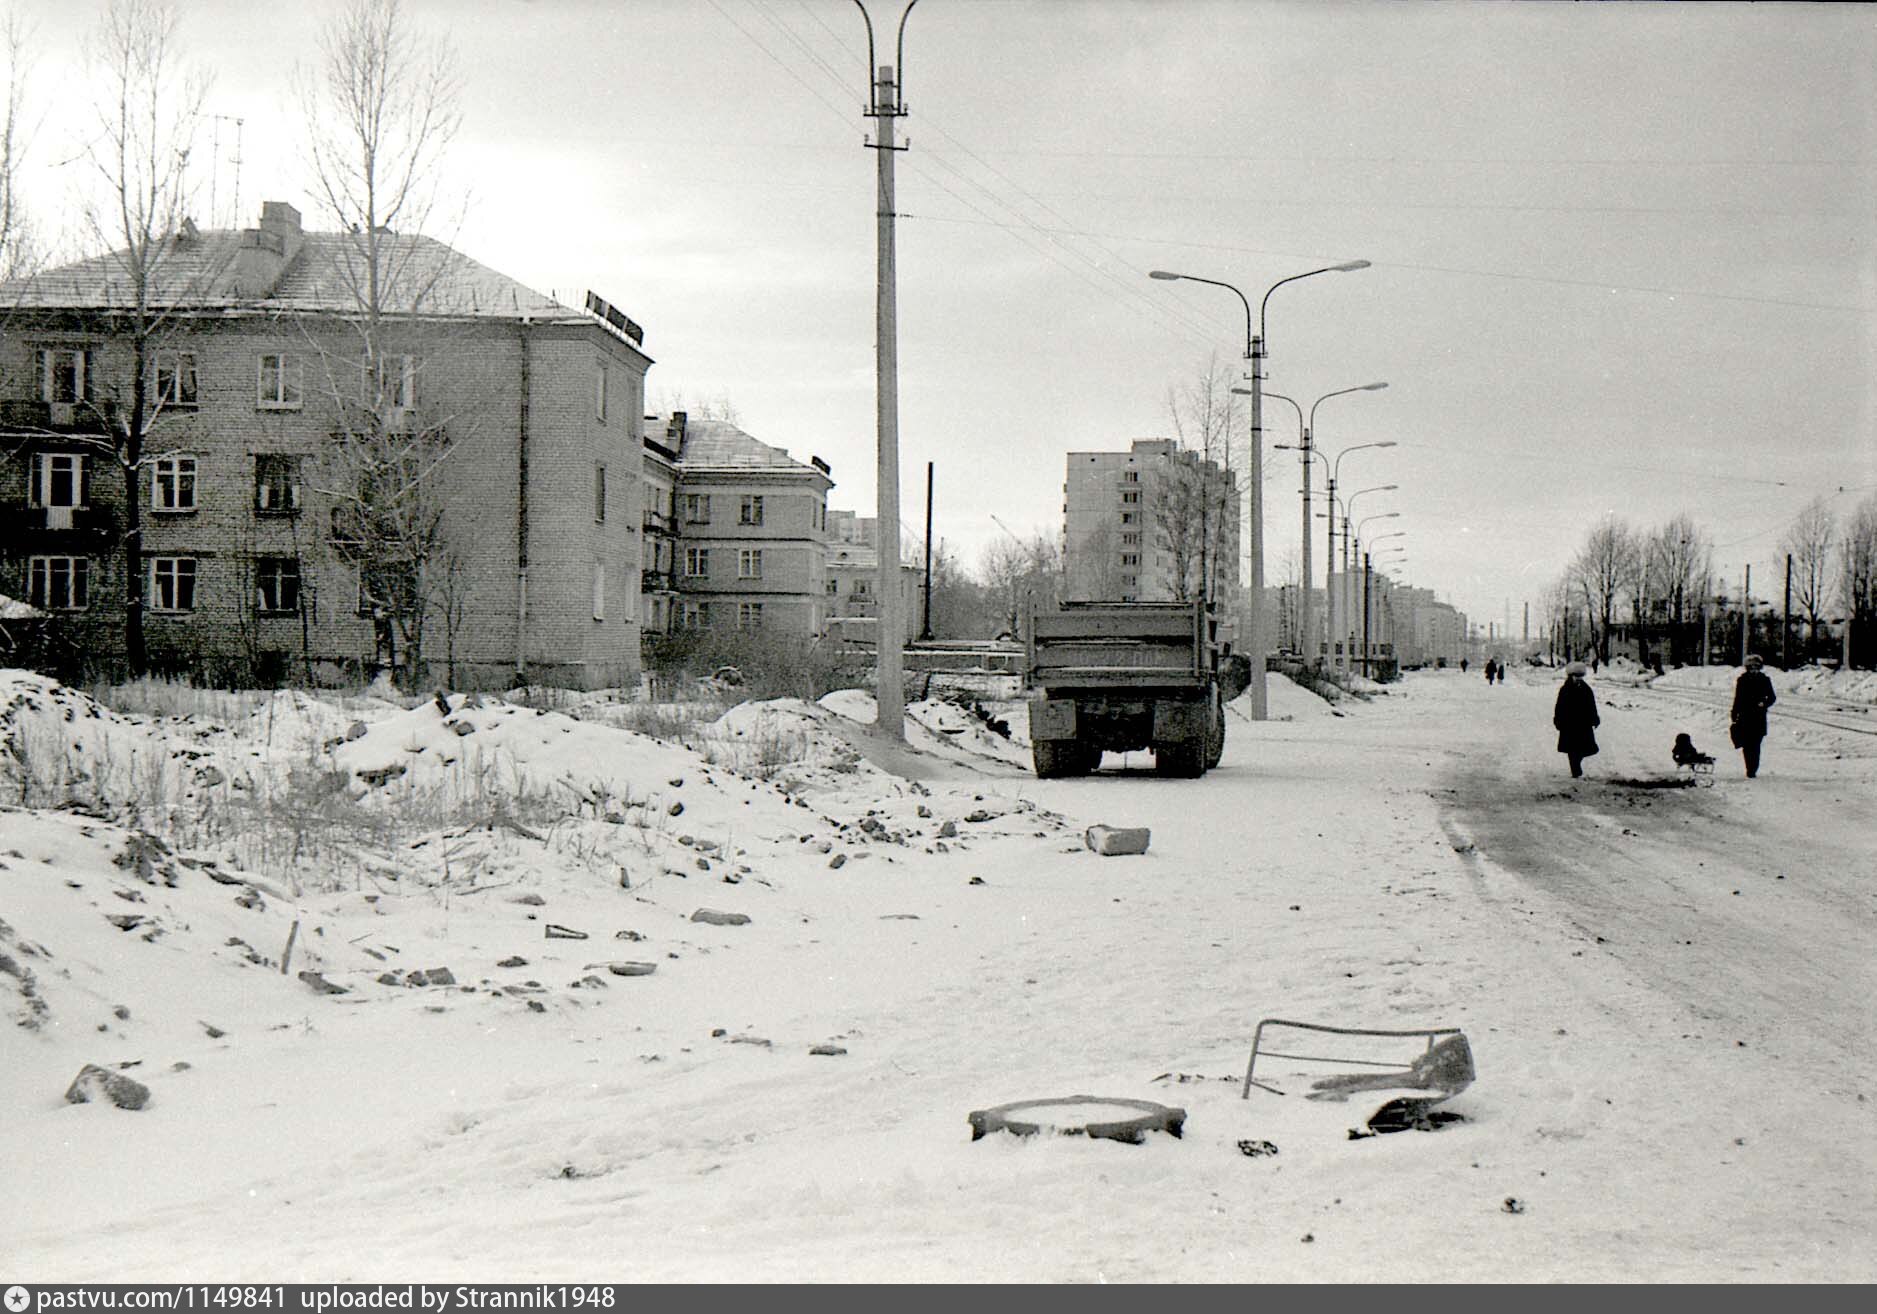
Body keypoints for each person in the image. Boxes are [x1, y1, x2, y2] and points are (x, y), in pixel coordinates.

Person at [1729, 654, 1777, 778]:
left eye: (1756, 666)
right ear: (1747, 667)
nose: (1754, 669)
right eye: (1751, 667)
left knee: (1756, 744)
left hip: (1759, 717)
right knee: (1747, 744)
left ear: (1760, 667)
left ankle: (1753, 769)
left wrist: (1764, 703)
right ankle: (1750, 768)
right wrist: (1734, 713)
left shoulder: (1764, 679)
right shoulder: (1742, 680)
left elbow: (1772, 697)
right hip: (1745, 716)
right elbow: (1738, 698)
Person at [1553, 661, 1600, 778]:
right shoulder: (1565, 689)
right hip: (1569, 725)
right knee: (1572, 749)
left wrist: (1595, 718)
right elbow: (1559, 707)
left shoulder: (1586, 689)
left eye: (1580, 676)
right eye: (1576, 676)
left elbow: (1591, 705)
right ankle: (1576, 770)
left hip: (1583, 724)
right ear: (1571, 676)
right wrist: (1558, 720)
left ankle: (1576, 766)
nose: (1578, 679)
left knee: (1586, 748)